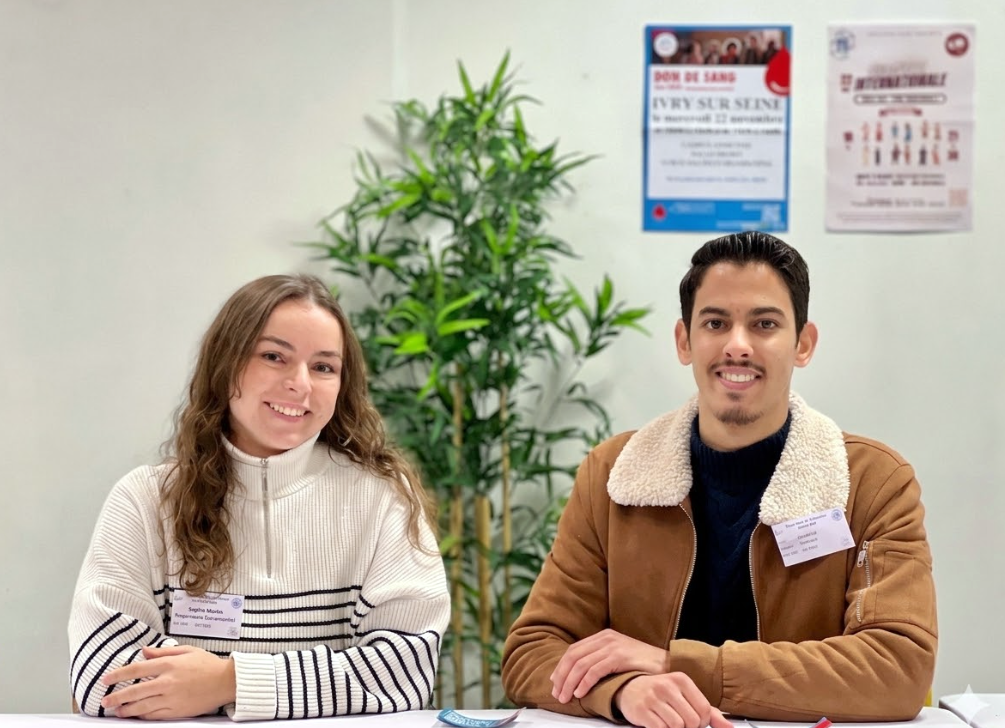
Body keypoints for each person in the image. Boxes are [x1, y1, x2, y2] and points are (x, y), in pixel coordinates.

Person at [502, 232, 937, 727]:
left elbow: (898, 670)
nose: (737, 345)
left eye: (764, 324)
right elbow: (532, 653)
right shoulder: (611, 474)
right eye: (715, 322)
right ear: (685, 341)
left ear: (803, 344)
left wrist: (679, 665)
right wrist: (624, 690)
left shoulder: (874, 482)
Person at [69, 274, 450, 721]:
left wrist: (228, 681)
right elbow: (101, 672)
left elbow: (407, 668)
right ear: (226, 364)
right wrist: (323, 682)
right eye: (274, 356)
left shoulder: (383, 498)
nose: (300, 383)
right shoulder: (145, 500)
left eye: (324, 367)